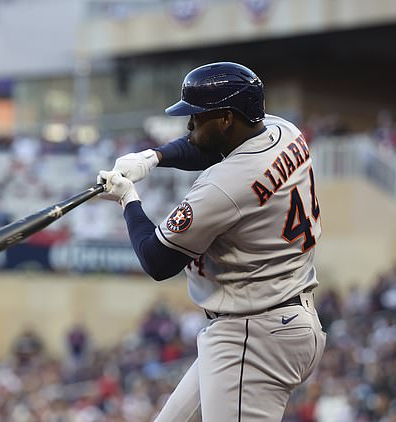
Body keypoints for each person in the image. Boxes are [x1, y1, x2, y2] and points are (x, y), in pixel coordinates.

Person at [97, 62, 327, 421]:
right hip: (280, 316)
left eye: (197, 116)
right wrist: (155, 157)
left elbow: (158, 260)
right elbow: (211, 147)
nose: (189, 124)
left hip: (253, 334)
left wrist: (129, 200)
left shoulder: (223, 186)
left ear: (225, 119)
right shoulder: (285, 130)